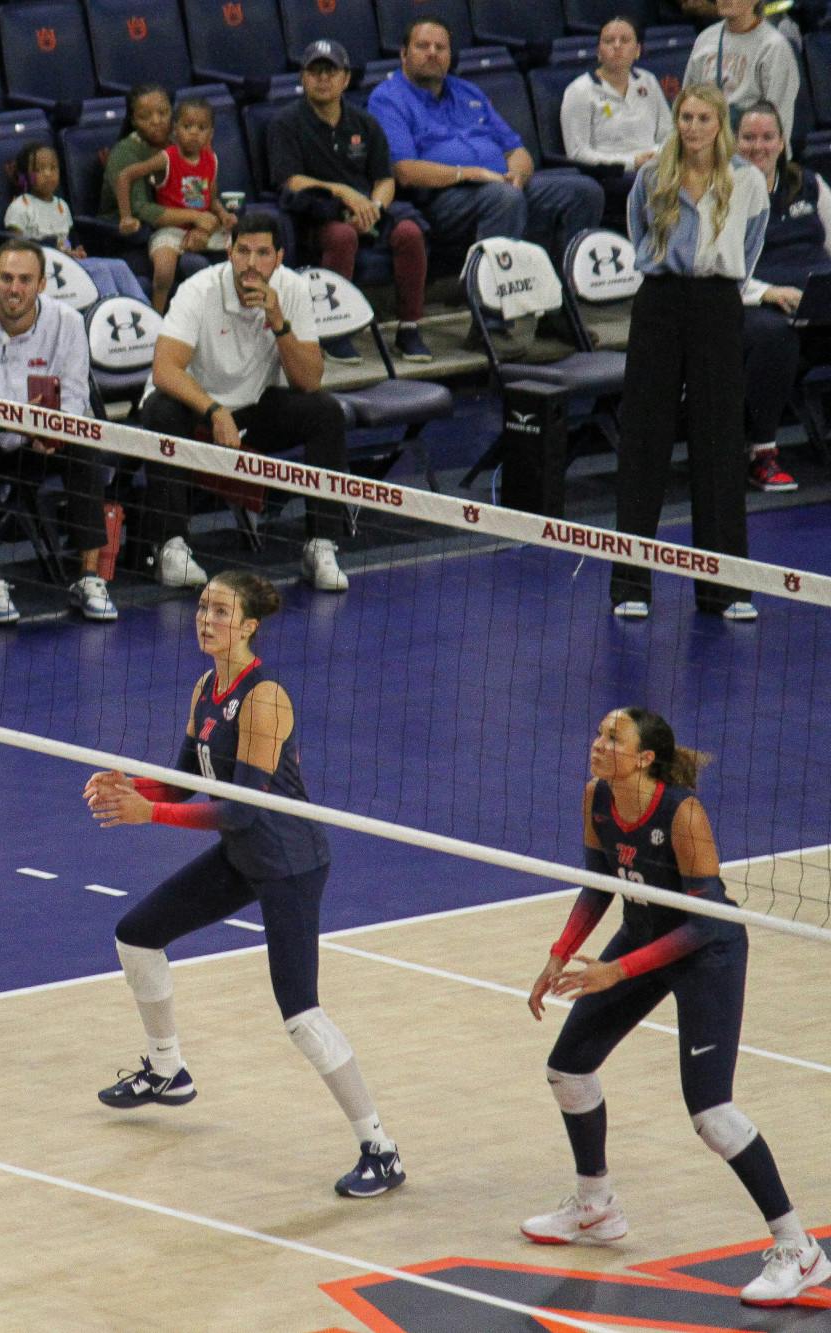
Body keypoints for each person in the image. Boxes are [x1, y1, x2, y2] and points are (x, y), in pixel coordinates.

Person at [85, 569, 404, 1200]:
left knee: (301, 1015)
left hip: (287, 861)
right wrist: (131, 785)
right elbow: (182, 783)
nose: (206, 620)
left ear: (250, 625)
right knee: (137, 935)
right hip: (243, 855)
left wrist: (149, 814)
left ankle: (380, 1148)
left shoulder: (266, 698)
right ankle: (168, 1069)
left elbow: (242, 809)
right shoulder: (208, 685)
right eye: (203, 608)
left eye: (221, 611)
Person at [522, 708, 828, 1308]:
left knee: (711, 1112)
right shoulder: (597, 797)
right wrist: (563, 952)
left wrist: (617, 970)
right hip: (642, 938)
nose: (599, 743)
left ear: (644, 759)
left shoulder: (682, 813)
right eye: (600, 732)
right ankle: (596, 1206)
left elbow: (705, 921)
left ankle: (799, 1247)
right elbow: (598, 882)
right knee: (568, 1067)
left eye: (615, 738)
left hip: (704, 952)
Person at [612, 83, 766, 623]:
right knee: (644, 439)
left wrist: (712, 286)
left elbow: (749, 248)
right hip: (659, 304)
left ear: (720, 125)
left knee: (720, 441)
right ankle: (630, 585)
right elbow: (637, 233)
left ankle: (724, 590)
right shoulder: (652, 177)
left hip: (717, 306)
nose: (693, 127)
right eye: (686, 117)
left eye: (704, 118)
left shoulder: (747, 182)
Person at [137, 212, 352, 594]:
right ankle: (170, 546)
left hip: (254, 405)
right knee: (159, 410)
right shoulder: (198, 290)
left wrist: (277, 319)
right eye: (243, 251)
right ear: (229, 251)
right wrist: (215, 411)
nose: (251, 263)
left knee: (325, 412)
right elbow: (164, 371)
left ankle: (321, 545)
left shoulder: (293, 290)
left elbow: (308, 380)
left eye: (263, 253)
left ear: (279, 257)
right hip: (196, 403)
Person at [0, 239, 121, 622]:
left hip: (45, 445)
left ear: (41, 284)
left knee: (85, 440)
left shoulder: (68, 323)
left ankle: (89, 579)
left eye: (24, 280)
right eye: (6, 278)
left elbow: (75, 395)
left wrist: (54, 431)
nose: (14, 289)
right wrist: (25, 422)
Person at [369, 19, 604, 260]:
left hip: (501, 185)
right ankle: (493, 291)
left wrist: (518, 176)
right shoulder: (388, 99)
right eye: (423, 46)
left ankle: (560, 286)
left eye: (440, 48)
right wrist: (470, 173)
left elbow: (516, 150)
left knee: (584, 191)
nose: (432, 53)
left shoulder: (468, 91)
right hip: (441, 199)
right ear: (403, 54)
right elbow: (405, 171)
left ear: (450, 55)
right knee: (503, 198)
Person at [268, 39, 433, 365]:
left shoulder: (365, 123)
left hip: (366, 213)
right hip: (317, 216)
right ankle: (335, 331)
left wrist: (375, 209)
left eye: (331, 72)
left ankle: (410, 328)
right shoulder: (285, 122)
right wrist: (343, 192)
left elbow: (384, 179)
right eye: (315, 72)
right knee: (342, 236)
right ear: (303, 77)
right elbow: (291, 180)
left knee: (410, 232)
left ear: (346, 79)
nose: (323, 79)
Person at [737, 101, 830, 493]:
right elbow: (714, 267)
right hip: (750, 301)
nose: (759, 146)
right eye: (748, 138)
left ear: (782, 142)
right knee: (775, 335)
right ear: (734, 143)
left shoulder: (809, 184)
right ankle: (761, 452)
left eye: (767, 137)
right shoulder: (721, 191)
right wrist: (768, 293)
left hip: (815, 295)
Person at [114, 96, 237, 313]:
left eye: (201, 127)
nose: (194, 132)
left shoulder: (212, 159)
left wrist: (224, 215)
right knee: (163, 270)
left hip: (201, 229)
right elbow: (125, 176)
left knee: (237, 255)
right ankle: (156, 316)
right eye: (187, 126)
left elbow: (212, 200)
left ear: (211, 133)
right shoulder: (167, 158)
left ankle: (226, 314)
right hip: (171, 230)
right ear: (175, 129)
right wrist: (126, 216)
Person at [4, 142, 151, 306]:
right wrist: (58, 250)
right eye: (39, 170)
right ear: (25, 176)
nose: (48, 174)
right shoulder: (20, 206)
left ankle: (145, 312)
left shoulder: (61, 205)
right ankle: (110, 315)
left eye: (53, 168)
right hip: (46, 266)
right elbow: (16, 246)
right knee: (99, 270)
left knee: (119, 265)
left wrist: (75, 249)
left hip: (70, 260)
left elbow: (67, 239)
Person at [100, 83, 205, 312]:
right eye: (145, 116)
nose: (156, 121)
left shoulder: (181, 145)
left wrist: (199, 227)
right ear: (134, 121)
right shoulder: (126, 152)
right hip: (131, 239)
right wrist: (194, 218)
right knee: (189, 264)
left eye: (163, 113)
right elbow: (139, 209)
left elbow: (195, 197)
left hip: (175, 229)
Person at [559, 17, 672, 223]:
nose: (617, 46)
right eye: (609, 41)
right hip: (612, 174)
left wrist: (659, 155)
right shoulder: (580, 91)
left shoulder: (648, 81)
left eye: (625, 40)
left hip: (655, 164)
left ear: (637, 50)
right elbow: (577, 152)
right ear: (598, 52)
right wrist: (631, 163)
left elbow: (668, 133)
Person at [684, 0, 800, 139]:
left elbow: (779, 119)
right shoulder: (705, 39)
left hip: (752, 147)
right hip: (706, 146)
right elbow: (687, 102)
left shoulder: (774, 47)